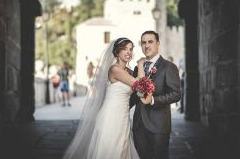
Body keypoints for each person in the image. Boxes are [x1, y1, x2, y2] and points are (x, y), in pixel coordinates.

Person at [63, 38, 145, 159]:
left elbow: (141, 89)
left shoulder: (129, 71)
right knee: (112, 149)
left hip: (123, 116)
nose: (128, 52)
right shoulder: (114, 70)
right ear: (117, 52)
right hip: (111, 116)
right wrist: (141, 64)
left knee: (122, 149)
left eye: (131, 49)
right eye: (124, 49)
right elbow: (140, 85)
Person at [130, 30, 181, 159]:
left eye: (150, 42)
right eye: (143, 43)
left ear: (158, 44)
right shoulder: (138, 68)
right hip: (138, 125)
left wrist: (153, 100)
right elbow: (134, 96)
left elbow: (176, 94)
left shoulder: (168, 67)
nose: (146, 45)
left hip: (158, 126)